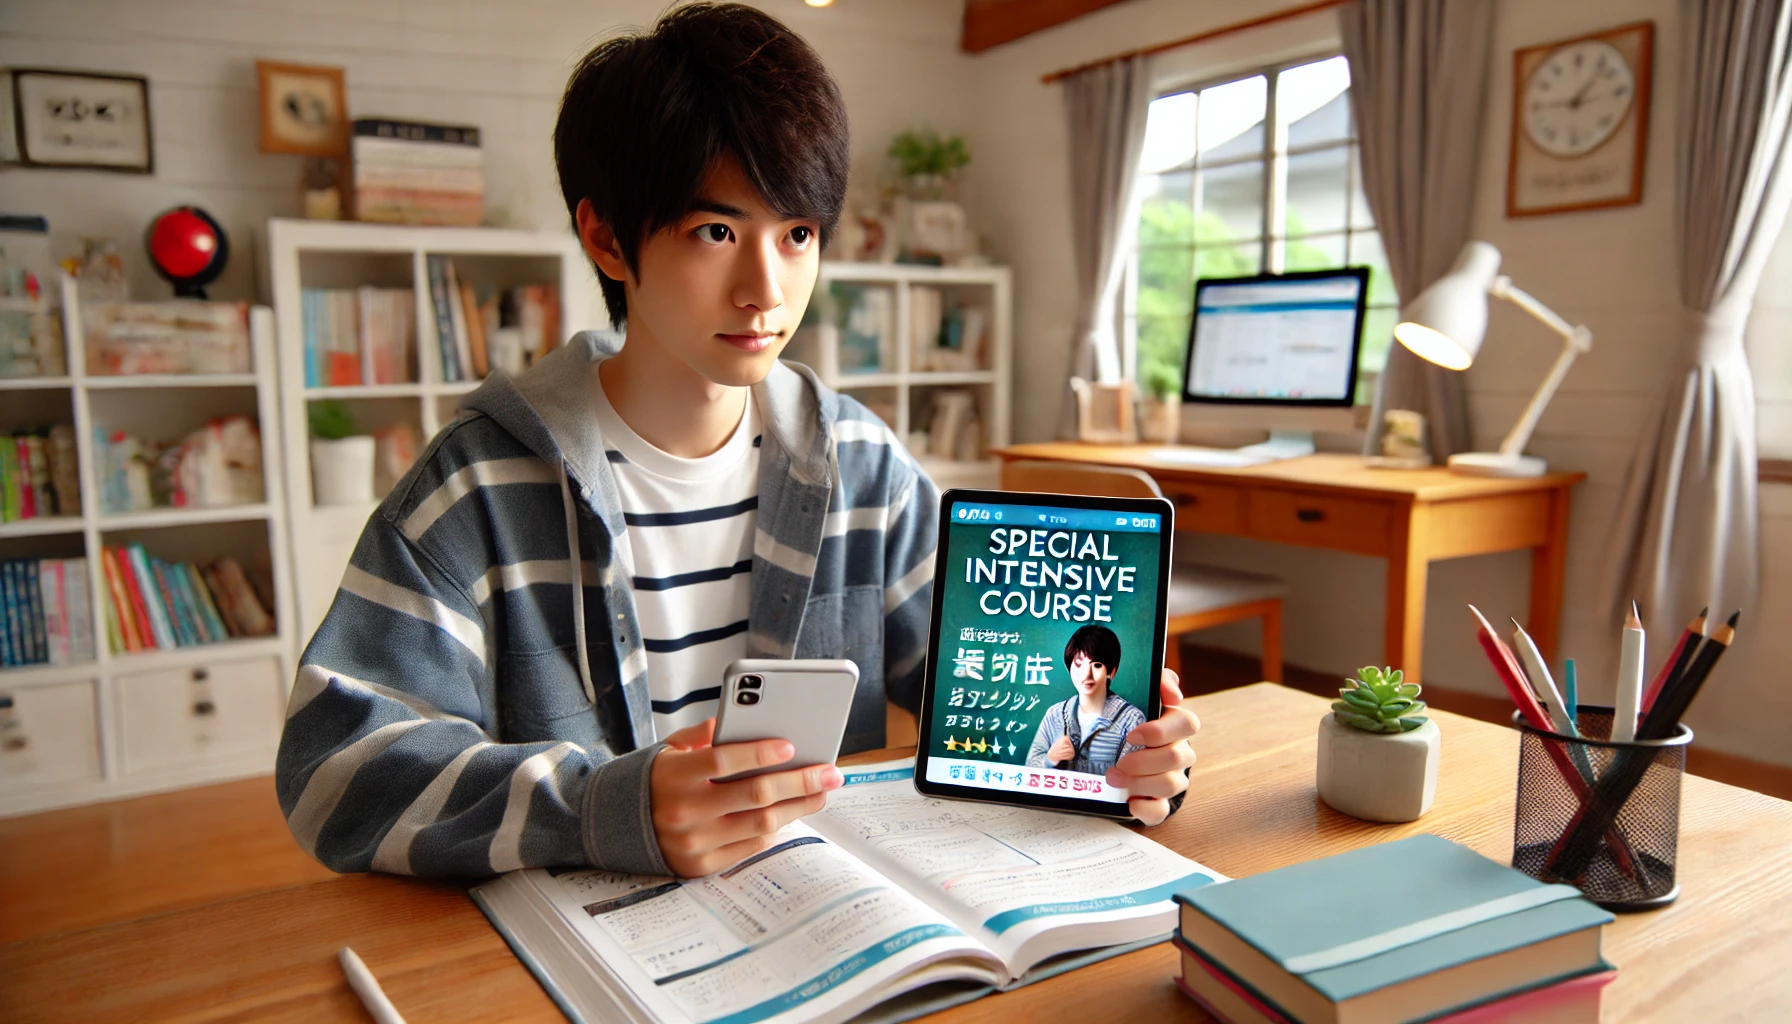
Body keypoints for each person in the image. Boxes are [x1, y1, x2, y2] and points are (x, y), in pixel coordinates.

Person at [275, 2, 1199, 882]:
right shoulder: (477, 487)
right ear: (605, 236)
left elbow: (990, 706)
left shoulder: (861, 468)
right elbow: (336, 776)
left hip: (829, 923)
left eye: (797, 234)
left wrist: (1130, 767)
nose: (767, 289)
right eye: (717, 230)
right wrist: (603, 808)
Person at [1026, 625, 1148, 776]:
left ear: (1111, 672)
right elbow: (1029, 769)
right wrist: (1049, 759)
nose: (1086, 674)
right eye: (1078, 664)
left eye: (1096, 665)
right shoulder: (1055, 714)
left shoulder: (1131, 720)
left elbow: (1129, 783)